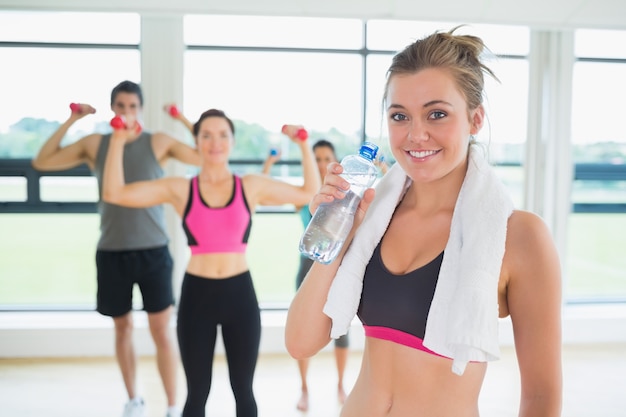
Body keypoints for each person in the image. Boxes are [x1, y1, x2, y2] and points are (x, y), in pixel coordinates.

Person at [285, 27, 563, 417]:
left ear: (476, 118)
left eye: (437, 114)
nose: (416, 135)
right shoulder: (370, 217)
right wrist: (338, 225)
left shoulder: (518, 236)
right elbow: (300, 342)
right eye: (400, 116)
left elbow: (541, 397)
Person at [102, 109, 321, 417]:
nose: (214, 142)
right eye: (206, 135)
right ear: (196, 141)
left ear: (232, 142)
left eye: (222, 135)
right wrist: (118, 140)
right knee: (196, 395)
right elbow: (114, 192)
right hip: (197, 297)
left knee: (244, 392)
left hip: (239, 296)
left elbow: (309, 192)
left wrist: (302, 143)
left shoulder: (250, 186)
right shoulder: (181, 188)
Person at [32, 80, 202, 417]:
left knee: (161, 332)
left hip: (154, 251)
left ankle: (171, 406)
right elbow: (43, 161)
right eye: (121, 107)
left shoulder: (158, 142)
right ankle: (133, 400)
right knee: (122, 327)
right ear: (113, 109)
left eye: (132, 107)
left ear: (141, 109)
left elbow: (204, 153)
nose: (126, 113)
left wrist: (181, 119)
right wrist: (73, 120)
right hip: (112, 251)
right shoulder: (97, 144)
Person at [262, 139, 350, 411]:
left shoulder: (347, 194)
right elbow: (261, 193)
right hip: (308, 265)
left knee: (341, 331)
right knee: (303, 328)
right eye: (317, 159)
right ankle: (304, 388)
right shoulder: (305, 194)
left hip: (338, 267)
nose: (323, 163)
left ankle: (340, 385)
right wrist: (269, 163)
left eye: (327, 158)